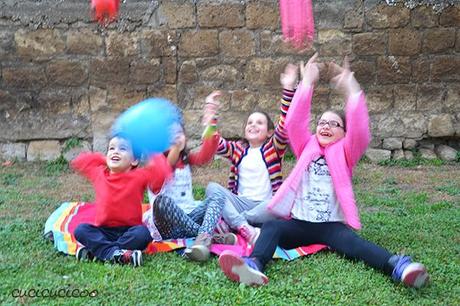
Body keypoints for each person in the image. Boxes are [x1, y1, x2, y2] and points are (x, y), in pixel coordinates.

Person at [218, 54, 429, 288]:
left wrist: (352, 90)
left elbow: (359, 131)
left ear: (344, 133)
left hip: (331, 227)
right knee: (272, 227)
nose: (325, 126)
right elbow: (294, 123)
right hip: (299, 223)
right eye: (321, 123)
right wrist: (306, 84)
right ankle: (254, 265)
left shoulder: (347, 151)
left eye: (333, 124)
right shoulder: (305, 146)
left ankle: (399, 266)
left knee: (355, 245)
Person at [207, 63, 298, 246]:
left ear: (270, 132)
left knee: (280, 204)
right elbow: (213, 143)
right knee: (212, 188)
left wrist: (289, 89)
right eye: (250, 122)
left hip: (264, 206)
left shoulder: (274, 148)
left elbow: (285, 124)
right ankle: (246, 228)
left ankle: (234, 222)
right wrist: (211, 111)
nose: (253, 125)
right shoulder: (238, 149)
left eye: (259, 123)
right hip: (240, 201)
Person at [148, 101, 236, 262]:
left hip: (190, 217)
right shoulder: (155, 160)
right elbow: (159, 179)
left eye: (179, 133)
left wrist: (211, 123)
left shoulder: (186, 159)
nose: (176, 137)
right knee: (161, 201)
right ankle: (211, 237)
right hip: (168, 226)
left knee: (218, 196)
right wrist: (174, 150)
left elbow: (205, 156)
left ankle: (202, 240)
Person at [73, 134, 172, 267]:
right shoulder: (99, 174)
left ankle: (100, 253)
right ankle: (117, 254)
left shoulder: (139, 176)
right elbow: (79, 161)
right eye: (111, 148)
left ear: (135, 160)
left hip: (129, 231)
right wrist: (107, 159)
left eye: (123, 149)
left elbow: (161, 173)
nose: (116, 151)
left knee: (143, 234)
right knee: (81, 230)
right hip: (103, 231)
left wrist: (152, 150)